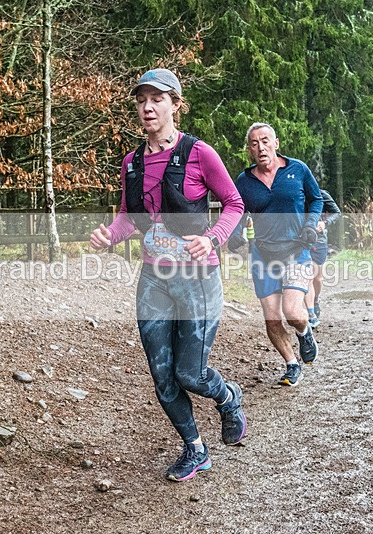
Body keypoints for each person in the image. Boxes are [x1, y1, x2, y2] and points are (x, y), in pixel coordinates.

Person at [89, 68, 247, 482]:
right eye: (141, 100)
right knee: (162, 375)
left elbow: (234, 203)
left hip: (198, 280)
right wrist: (110, 235)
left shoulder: (200, 153)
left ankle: (228, 396)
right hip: (153, 279)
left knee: (190, 374)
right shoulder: (131, 163)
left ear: (176, 105)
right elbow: (129, 217)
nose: (147, 107)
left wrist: (212, 239)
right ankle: (195, 448)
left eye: (157, 99)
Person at [229, 122, 323, 387]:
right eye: (254, 143)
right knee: (272, 318)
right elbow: (237, 209)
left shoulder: (297, 169)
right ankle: (292, 364)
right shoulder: (244, 181)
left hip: (296, 250)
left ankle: (304, 331)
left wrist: (310, 225)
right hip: (263, 254)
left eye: (265, 141)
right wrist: (234, 233)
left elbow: (316, 199)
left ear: (276, 143)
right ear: (249, 150)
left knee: (292, 312)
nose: (261, 147)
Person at [304, 189, 341, 328]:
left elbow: (337, 213)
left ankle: (315, 300)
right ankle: (310, 313)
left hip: (319, 240)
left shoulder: (321, 194)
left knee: (317, 278)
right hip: (300, 240)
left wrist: (325, 223)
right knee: (308, 275)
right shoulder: (295, 193)